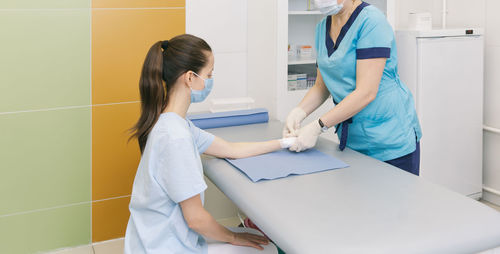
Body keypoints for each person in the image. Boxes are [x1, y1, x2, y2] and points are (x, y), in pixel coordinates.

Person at [125, 34, 294, 254]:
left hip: (154, 239)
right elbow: (196, 220)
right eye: (209, 74)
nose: (211, 80)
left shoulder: (174, 122)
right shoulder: (176, 137)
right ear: (189, 78)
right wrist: (232, 237)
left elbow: (230, 149)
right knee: (267, 249)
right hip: (164, 247)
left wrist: (285, 142)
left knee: (254, 240)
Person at [283, 0, 422, 175]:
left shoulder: (372, 22)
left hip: (390, 139)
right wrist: (299, 112)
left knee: (393, 201)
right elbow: (321, 86)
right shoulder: (321, 28)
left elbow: (366, 92)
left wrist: (318, 126)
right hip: (354, 141)